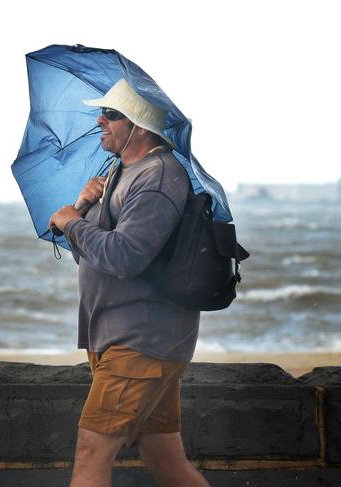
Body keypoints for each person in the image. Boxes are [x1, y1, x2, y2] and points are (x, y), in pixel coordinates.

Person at [49, 78, 210, 487]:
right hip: (123, 335)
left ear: (138, 126)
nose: (100, 121)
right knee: (163, 458)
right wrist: (82, 208)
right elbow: (96, 253)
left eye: (112, 115)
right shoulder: (122, 173)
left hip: (140, 341)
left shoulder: (157, 178)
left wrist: (73, 223)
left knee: (91, 449)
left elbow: (124, 256)